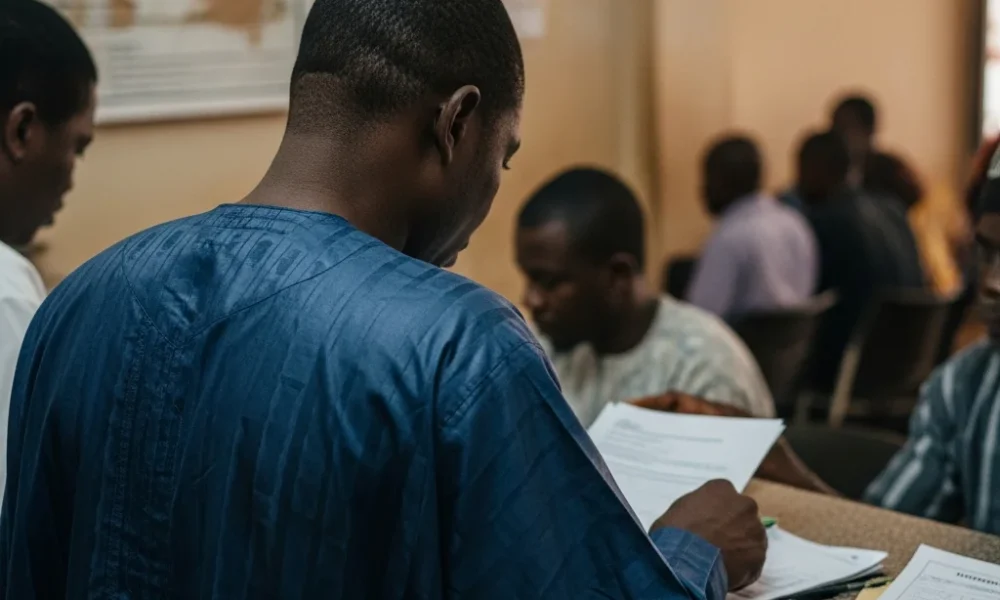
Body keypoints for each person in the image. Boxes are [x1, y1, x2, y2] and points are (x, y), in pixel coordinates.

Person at [0, 1, 767, 598]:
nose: (494, 187)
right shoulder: (457, 346)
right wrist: (693, 550)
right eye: (502, 156)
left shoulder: (76, 305)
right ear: (457, 122)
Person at [515, 167, 775, 428]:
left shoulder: (704, 369)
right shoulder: (550, 348)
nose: (531, 300)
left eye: (549, 282)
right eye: (528, 279)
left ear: (618, 275)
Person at [864, 145, 1000, 534]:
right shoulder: (967, 384)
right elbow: (882, 536)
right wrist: (781, 466)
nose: (992, 283)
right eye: (986, 253)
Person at [0, 1, 96, 501]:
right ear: (22, 131)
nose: (71, 179)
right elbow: (14, 515)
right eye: (76, 148)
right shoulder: (7, 292)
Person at [798, 132, 924, 387]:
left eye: (802, 170)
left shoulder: (826, 222)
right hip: (905, 366)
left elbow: (805, 305)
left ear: (818, 169)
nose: (798, 183)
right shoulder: (893, 208)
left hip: (848, 372)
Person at [687, 135, 818, 320]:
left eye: (707, 178)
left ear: (722, 181)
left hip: (734, 347)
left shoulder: (729, 239)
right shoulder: (795, 223)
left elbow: (699, 321)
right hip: (789, 348)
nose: (702, 189)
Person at [831, 94, 878, 188]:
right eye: (836, 128)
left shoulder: (888, 174)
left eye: (845, 127)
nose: (838, 135)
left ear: (867, 131)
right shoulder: (825, 175)